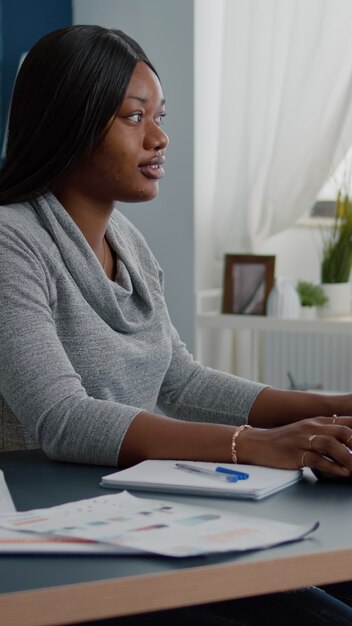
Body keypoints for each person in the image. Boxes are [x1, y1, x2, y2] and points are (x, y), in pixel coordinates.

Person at [0, 24, 351, 625]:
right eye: (134, 117)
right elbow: (63, 418)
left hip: (134, 514)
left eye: (160, 116)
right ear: (70, 121)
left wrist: (326, 407)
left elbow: (178, 380)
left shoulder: (127, 240)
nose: (160, 137)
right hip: (53, 544)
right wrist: (257, 445)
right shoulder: (11, 241)